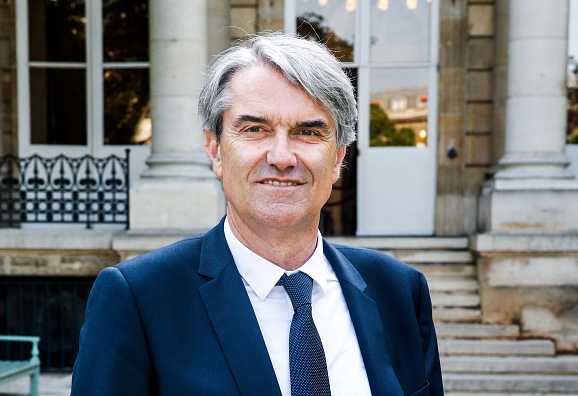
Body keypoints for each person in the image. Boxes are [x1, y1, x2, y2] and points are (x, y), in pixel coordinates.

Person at [71, 33, 443, 396]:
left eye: (308, 132)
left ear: (338, 159)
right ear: (215, 149)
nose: (282, 157)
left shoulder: (399, 292)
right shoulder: (139, 299)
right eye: (255, 129)